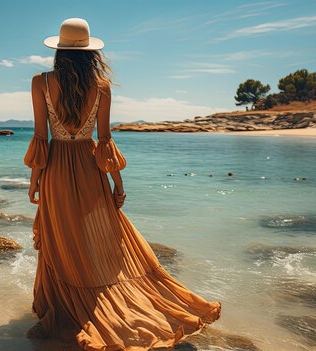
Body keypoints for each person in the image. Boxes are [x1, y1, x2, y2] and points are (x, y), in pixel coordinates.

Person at [24, 18, 221, 350]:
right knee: (98, 239)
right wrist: (118, 184)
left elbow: (40, 137)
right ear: (90, 54)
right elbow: (105, 141)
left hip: (56, 171)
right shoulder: (101, 86)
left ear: (58, 50)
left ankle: (64, 309)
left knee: (61, 241)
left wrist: (34, 181)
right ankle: (104, 300)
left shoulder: (40, 82)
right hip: (90, 171)